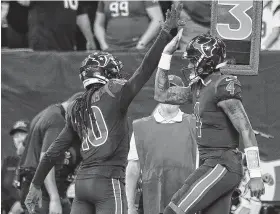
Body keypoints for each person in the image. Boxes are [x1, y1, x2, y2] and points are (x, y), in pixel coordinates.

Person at [24, 4, 185, 214]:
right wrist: (164, 35)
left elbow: (53, 152)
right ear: (107, 73)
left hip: (82, 186)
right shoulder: (113, 91)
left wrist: (35, 184)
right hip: (108, 182)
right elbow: (144, 70)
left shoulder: (76, 106)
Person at [153, 34, 265, 213]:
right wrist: (166, 53)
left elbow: (245, 129)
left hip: (222, 163)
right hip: (212, 162)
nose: (189, 65)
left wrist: (256, 173)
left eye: (193, 60)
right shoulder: (199, 86)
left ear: (206, 60)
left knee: (174, 210)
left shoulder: (221, 84)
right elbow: (161, 95)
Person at [126, 75, 198, 214]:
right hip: (149, 203)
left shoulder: (195, 124)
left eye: (174, 91)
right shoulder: (141, 127)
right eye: (166, 90)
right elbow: (133, 169)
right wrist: (129, 206)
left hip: (185, 203)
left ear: (182, 95)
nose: (170, 95)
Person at [19, 93, 83, 214]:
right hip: (42, 191)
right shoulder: (57, 120)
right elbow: (46, 160)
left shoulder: (46, 113)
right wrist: (54, 198)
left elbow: (21, 150)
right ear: (75, 106)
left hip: (32, 184)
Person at [26, 0, 95, 51]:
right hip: (46, 43)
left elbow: (81, 15)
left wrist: (90, 40)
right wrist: (90, 40)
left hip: (64, 44)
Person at [94, 0, 164, 50]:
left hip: (138, 47)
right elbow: (98, 24)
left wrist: (142, 43)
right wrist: (104, 45)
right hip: (111, 48)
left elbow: (158, 19)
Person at [1, 120, 29, 214]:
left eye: (22, 134)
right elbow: (2, 189)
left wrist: (21, 205)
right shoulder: (8, 162)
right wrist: (13, 205)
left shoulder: (42, 161)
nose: (18, 139)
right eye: (16, 136)